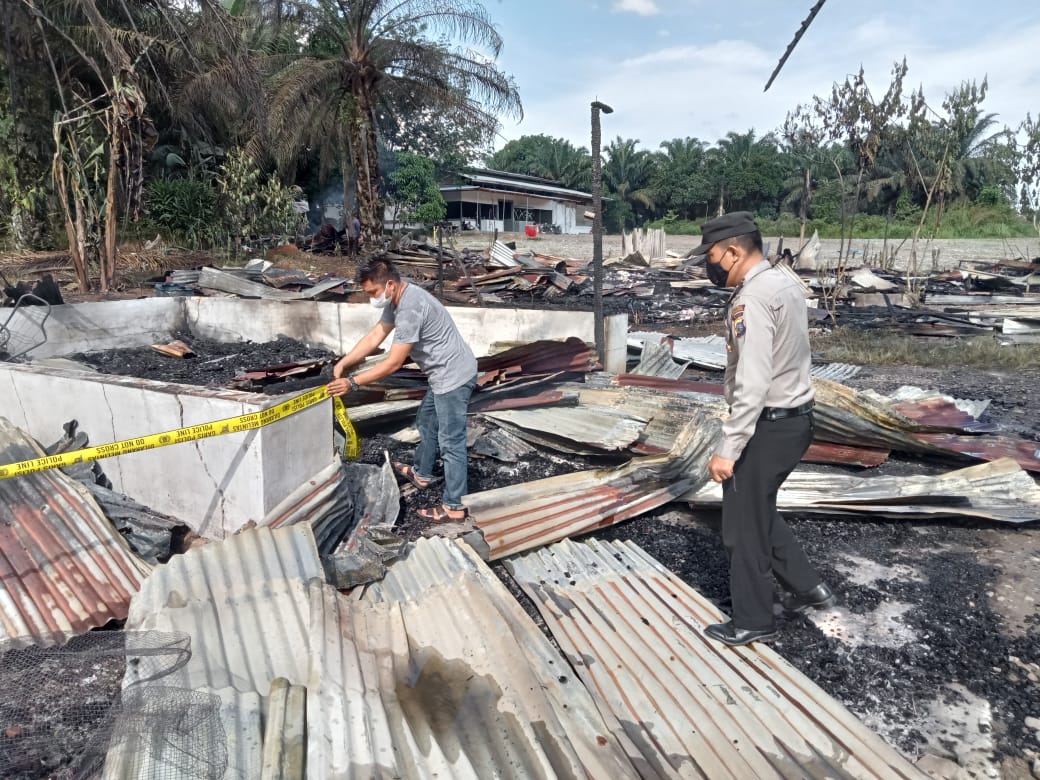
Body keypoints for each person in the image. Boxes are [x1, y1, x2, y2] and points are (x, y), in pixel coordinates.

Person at [694, 211, 835, 647]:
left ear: (733, 252)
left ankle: (753, 619)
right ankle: (807, 587)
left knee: (741, 528)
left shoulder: (752, 299)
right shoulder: (783, 282)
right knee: (757, 511)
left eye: (712, 257)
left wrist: (729, 447)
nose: (710, 266)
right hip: (796, 419)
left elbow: (753, 381)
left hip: (767, 424)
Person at [327, 257, 477, 522]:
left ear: (390, 285)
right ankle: (422, 474)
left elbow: (393, 362)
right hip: (441, 375)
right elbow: (375, 335)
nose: (371, 298)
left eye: (373, 292)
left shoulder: (410, 309)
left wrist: (353, 383)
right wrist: (344, 363)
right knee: (426, 421)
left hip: (453, 378)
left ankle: (454, 506)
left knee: (451, 442)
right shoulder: (398, 300)